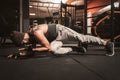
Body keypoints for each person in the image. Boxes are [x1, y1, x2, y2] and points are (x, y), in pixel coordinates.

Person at [8, 24, 115, 58]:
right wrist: (17, 54)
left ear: (23, 39)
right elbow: (32, 49)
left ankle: (107, 43)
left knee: (82, 38)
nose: (24, 44)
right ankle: (75, 48)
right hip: (55, 39)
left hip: (61, 31)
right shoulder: (29, 36)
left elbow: (46, 48)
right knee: (54, 51)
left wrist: (33, 50)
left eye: (23, 43)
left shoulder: (36, 33)